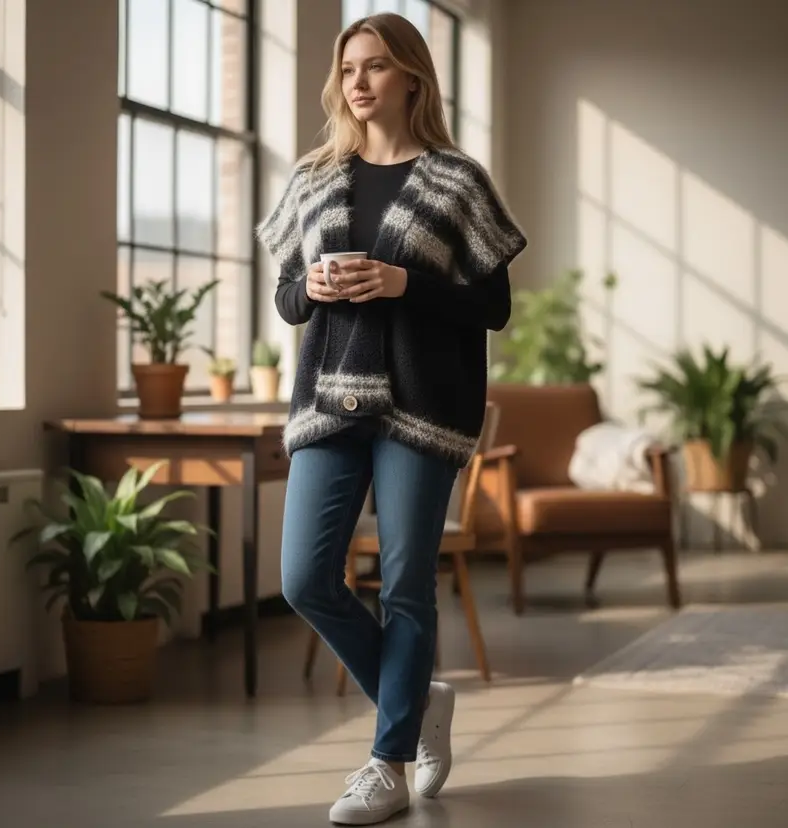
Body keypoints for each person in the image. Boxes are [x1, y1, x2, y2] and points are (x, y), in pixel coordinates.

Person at [257, 12, 526, 826]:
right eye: (348, 70)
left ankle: (389, 761)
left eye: (375, 67)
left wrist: (405, 285)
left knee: (407, 586)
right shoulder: (312, 176)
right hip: (326, 403)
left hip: (423, 405)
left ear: (412, 75)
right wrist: (317, 290)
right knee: (304, 578)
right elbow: (286, 297)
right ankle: (417, 702)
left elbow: (496, 305)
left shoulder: (457, 180)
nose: (359, 83)